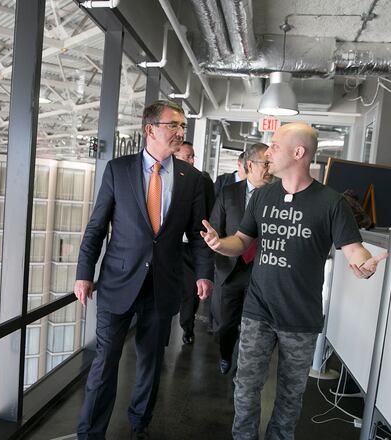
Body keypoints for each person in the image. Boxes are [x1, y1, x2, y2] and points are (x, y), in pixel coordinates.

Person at [200, 122, 388, 440]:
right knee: (245, 387)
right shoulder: (261, 197)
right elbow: (243, 241)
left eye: (275, 146)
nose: (268, 151)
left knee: (289, 397)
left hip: (300, 318)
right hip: (258, 311)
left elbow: (354, 250)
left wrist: (364, 266)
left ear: (298, 152)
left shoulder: (331, 203)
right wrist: (221, 244)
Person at [75, 100, 214, 440]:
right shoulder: (117, 170)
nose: (181, 132)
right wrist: (83, 272)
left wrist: (204, 272)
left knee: (150, 366)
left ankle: (140, 424)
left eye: (182, 126)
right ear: (151, 129)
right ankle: (89, 434)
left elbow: (199, 234)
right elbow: (97, 227)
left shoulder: (192, 179)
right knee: (104, 365)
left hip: (162, 286)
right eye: (174, 125)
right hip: (117, 282)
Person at [209, 142, 271, 375]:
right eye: (265, 164)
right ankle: (226, 354)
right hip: (230, 269)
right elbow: (216, 230)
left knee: (252, 327)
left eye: (271, 164)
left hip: (260, 270)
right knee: (226, 323)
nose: (269, 169)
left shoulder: (276, 196)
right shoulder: (228, 194)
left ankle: (240, 367)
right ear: (249, 165)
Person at [174, 141, 215, 344]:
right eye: (186, 156)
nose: (191, 160)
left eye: (192, 156)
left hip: (192, 245)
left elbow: (208, 211)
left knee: (190, 291)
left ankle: (187, 328)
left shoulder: (202, 180)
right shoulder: (165, 179)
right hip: (170, 246)